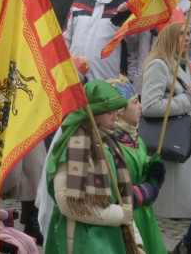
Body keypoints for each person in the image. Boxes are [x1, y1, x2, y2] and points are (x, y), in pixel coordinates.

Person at [139, 20, 191, 254]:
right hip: (173, 147)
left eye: (188, 34)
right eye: (180, 34)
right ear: (168, 38)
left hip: (188, 144)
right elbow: (150, 106)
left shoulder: (182, 63)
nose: (187, 38)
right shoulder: (158, 64)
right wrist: (188, 99)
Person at [43, 79, 137, 254]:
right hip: (80, 238)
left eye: (117, 112)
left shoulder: (111, 144)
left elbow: (122, 199)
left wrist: (136, 241)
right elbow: (68, 204)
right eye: (110, 113)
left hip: (111, 237)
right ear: (93, 113)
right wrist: (119, 215)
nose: (116, 118)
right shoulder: (75, 145)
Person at [106, 75, 166, 254]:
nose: (140, 106)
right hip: (126, 220)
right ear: (121, 111)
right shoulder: (113, 145)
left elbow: (143, 177)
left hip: (145, 216)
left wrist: (155, 177)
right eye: (135, 102)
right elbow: (115, 191)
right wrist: (150, 188)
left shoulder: (138, 141)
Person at [63, 0, 143, 86]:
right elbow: (66, 37)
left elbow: (135, 46)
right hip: (74, 77)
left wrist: (132, 80)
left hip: (109, 80)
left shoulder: (129, 2)